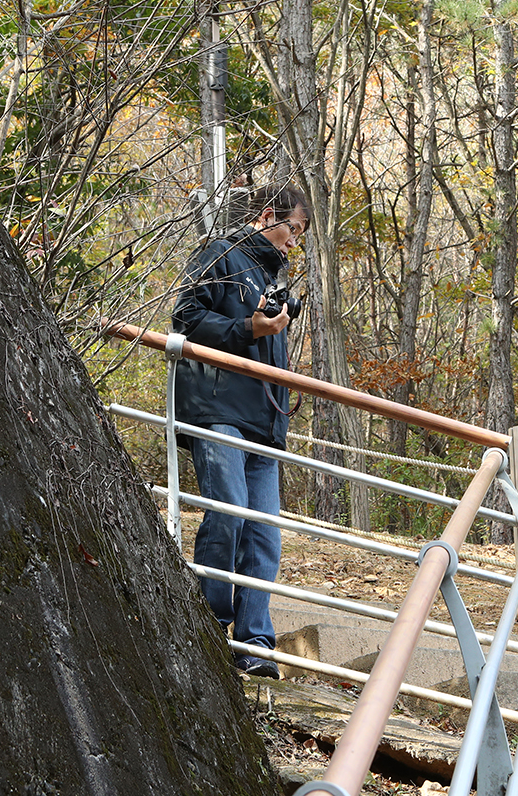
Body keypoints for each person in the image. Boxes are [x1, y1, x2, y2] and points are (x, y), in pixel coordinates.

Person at [171, 184, 310, 679]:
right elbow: (185, 318)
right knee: (227, 514)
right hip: (218, 409)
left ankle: (254, 643)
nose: (294, 243)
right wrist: (249, 329)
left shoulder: (272, 279)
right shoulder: (220, 254)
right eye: (292, 229)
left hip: (265, 424)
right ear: (268, 216)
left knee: (265, 535)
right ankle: (208, 622)